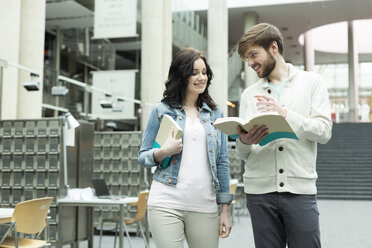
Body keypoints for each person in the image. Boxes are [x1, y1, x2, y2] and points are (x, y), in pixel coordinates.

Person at [236, 23, 332, 248]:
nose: (250, 63)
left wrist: (285, 114)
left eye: (253, 55)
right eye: (246, 59)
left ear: (273, 47)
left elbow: (324, 131)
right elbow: (244, 154)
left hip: (299, 191)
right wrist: (243, 141)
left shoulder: (312, 83)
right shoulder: (249, 95)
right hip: (258, 193)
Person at [138, 47, 233, 248]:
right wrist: (163, 152)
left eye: (204, 72)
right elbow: (143, 156)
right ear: (182, 76)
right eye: (195, 73)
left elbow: (222, 162)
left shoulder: (216, 114)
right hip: (166, 201)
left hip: (204, 204)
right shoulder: (161, 110)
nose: (201, 78)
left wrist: (225, 209)